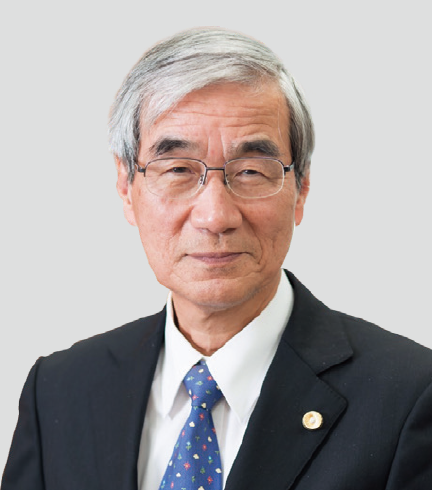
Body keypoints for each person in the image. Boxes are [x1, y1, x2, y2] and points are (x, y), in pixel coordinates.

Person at [2, 27, 432, 491]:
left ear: (301, 188)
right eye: (178, 169)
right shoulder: (59, 392)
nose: (215, 216)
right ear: (126, 187)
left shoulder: (409, 397)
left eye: (251, 171)